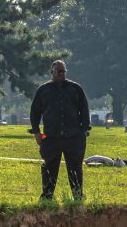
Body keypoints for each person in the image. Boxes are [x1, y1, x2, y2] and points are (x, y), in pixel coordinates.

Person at [29, 60, 90, 201]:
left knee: (75, 169)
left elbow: (84, 111)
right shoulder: (43, 91)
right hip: (51, 138)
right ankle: (47, 196)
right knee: (49, 169)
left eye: (63, 71)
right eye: (59, 71)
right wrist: (37, 132)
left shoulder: (75, 89)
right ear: (52, 72)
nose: (61, 74)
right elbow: (35, 113)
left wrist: (83, 131)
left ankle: (78, 195)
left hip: (74, 137)